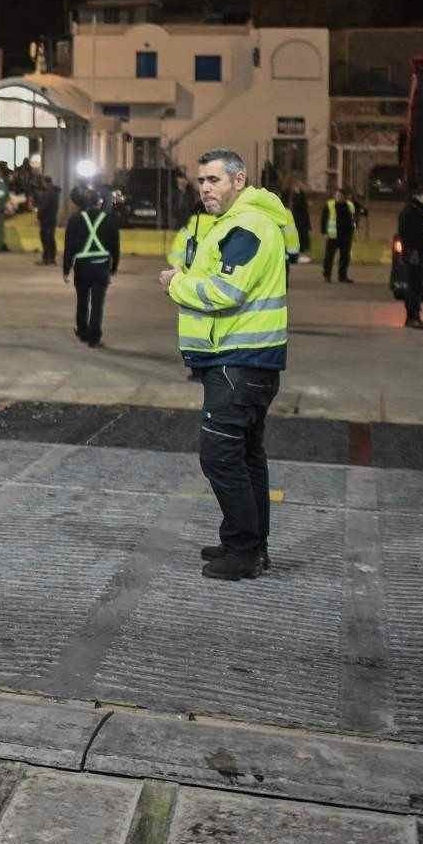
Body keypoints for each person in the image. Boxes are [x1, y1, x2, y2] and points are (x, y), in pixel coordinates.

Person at [159, 148, 287, 581]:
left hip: (241, 361)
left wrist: (176, 283)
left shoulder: (248, 224)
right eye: (201, 181)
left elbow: (224, 291)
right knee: (247, 455)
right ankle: (247, 542)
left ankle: (245, 551)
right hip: (243, 359)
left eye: (214, 180)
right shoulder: (230, 223)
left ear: (239, 180)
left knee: (218, 455)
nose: (206, 189)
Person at [63, 188, 117, 349]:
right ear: (99, 202)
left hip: (82, 267)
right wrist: (114, 266)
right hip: (101, 267)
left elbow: (69, 247)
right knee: (97, 303)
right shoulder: (108, 219)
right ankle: (94, 338)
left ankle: (82, 330)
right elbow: (115, 245)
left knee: (82, 300)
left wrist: (66, 269)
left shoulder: (75, 219)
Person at [396, 186, 423, 330]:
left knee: (417, 287)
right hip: (413, 253)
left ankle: (414, 317)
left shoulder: (422, 211)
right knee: (414, 286)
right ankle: (412, 318)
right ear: (417, 197)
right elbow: (406, 233)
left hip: (419, 252)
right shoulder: (410, 212)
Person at [320, 186, 360, 284]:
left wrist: (355, 228)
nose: (339, 197)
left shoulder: (350, 205)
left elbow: (355, 217)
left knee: (345, 257)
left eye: (341, 196)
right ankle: (327, 275)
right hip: (333, 235)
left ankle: (342, 276)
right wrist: (324, 232)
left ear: (345, 197)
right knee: (329, 257)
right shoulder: (329, 205)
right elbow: (324, 219)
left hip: (346, 235)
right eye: (337, 195)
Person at [35, 175, 61, 266]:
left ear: (45, 182)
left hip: (46, 219)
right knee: (50, 238)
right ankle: (50, 258)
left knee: (46, 239)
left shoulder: (48, 193)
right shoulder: (55, 193)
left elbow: (43, 207)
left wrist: (38, 216)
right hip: (52, 219)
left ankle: (48, 259)